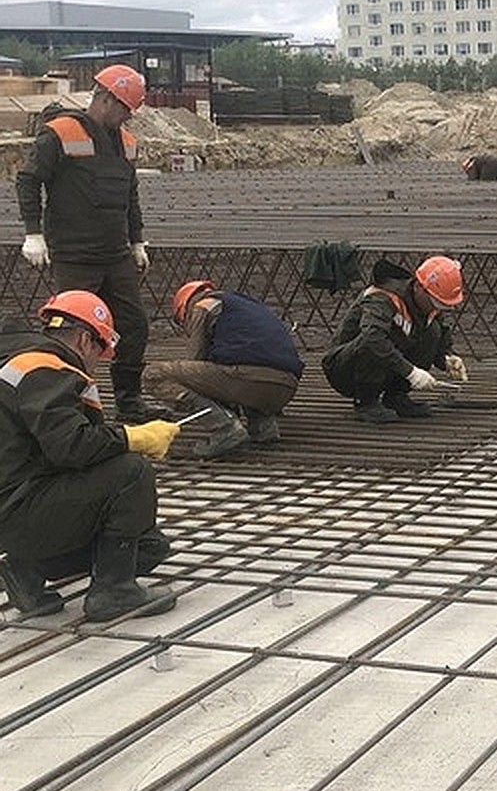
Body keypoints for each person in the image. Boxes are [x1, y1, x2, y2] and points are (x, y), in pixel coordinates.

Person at [0, 291, 179, 623]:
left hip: (15, 505)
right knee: (132, 471)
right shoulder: (44, 367)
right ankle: (113, 593)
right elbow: (71, 446)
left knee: (149, 546)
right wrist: (133, 436)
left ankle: (27, 569)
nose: (99, 363)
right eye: (101, 351)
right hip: (19, 508)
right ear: (85, 339)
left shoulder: (15, 364)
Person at [15, 64, 172, 424]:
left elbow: (130, 195)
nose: (127, 117)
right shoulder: (60, 133)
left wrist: (137, 241)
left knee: (133, 325)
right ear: (104, 98)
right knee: (72, 332)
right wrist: (32, 233)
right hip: (74, 255)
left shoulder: (126, 143)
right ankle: (66, 403)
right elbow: (28, 179)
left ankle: (129, 402)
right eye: (124, 109)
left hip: (114, 254)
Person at [144, 281, 305, 458]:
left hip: (247, 380)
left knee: (155, 374)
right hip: (285, 388)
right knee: (237, 359)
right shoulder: (246, 305)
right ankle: (263, 426)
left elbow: (196, 360)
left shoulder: (202, 305)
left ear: (183, 308)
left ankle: (226, 428)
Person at [321, 255, 468, 424]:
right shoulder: (382, 296)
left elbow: (440, 332)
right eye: (436, 302)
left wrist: (447, 358)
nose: (437, 308)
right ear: (419, 287)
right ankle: (366, 401)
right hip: (345, 370)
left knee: (432, 331)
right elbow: (372, 337)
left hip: (384, 367)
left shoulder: (428, 304)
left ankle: (396, 396)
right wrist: (410, 372)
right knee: (374, 339)